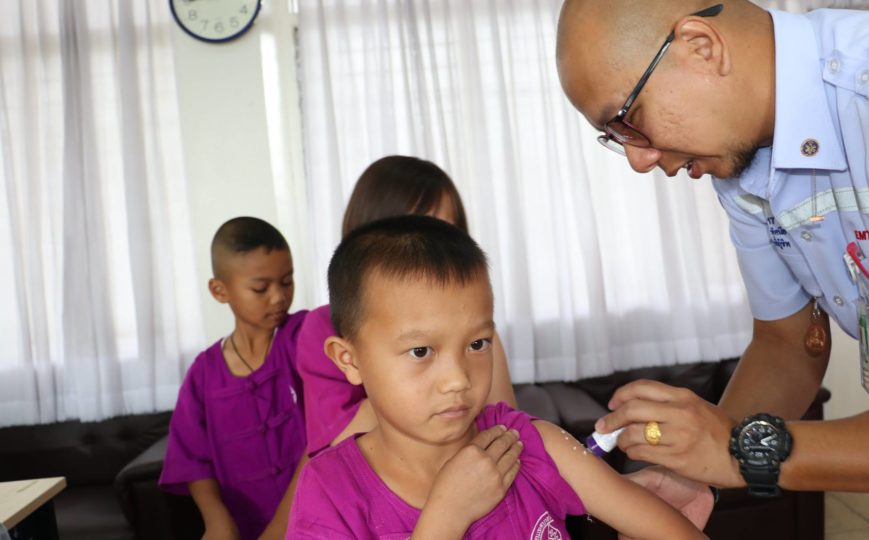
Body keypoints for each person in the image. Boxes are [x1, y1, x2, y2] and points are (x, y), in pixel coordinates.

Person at [556, 1, 869, 538]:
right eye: (616, 137)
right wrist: (690, 475)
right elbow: (788, 343)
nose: (638, 160)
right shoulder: (742, 157)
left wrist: (747, 451)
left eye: (628, 120)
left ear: (702, 47)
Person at [286, 215, 705, 539]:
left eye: (477, 344)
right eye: (420, 351)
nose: (457, 380)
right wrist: (444, 519)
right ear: (349, 359)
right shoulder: (330, 491)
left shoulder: (531, 444)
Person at [296, 155, 516, 457]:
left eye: (447, 233)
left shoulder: (475, 327)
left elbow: (505, 428)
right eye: (417, 235)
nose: (436, 251)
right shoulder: (320, 328)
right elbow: (330, 451)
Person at [160, 217, 306, 540]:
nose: (279, 297)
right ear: (219, 290)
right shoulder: (203, 374)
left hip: (316, 519)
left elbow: (328, 434)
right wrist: (216, 521)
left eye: (287, 281)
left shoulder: (302, 339)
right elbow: (193, 461)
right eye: (260, 288)